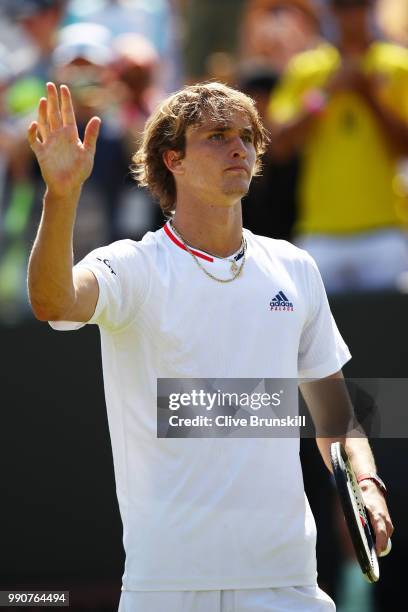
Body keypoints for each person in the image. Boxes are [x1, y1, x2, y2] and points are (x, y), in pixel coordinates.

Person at [27, 81, 393, 611]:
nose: (239, 148)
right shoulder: (134, 267)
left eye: (247, 136)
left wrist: (366, 479)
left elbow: (335, 421)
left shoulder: (295, 269)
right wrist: (61, 195)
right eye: (217, 136)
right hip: (168, 588)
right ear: (171, 159)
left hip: (287, 583)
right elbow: (53, 301)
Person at [268, 0, 408, 293]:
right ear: (331, 12)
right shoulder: (307, 69)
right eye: (342, 6)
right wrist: (326, 93)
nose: (351, 14)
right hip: (321, 232)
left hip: (385, 230)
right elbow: (279, 144)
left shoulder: (399, 65)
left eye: (358, 5)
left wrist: (369, 97)